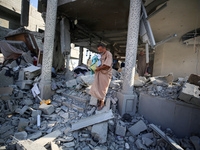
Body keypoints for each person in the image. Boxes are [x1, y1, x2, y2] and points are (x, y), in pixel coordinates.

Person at [89, 43, 112, 110]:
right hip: (100, 73)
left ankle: (102, 103)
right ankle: (99, 101)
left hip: (105, 74)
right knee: (98, 87)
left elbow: (107, 65)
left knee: (103, 88)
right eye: (98, 50)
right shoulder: (101, 55)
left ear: (104, 48)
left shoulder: (108, 54)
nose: (99, 51)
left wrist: (99, 68)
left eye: (100, 49)